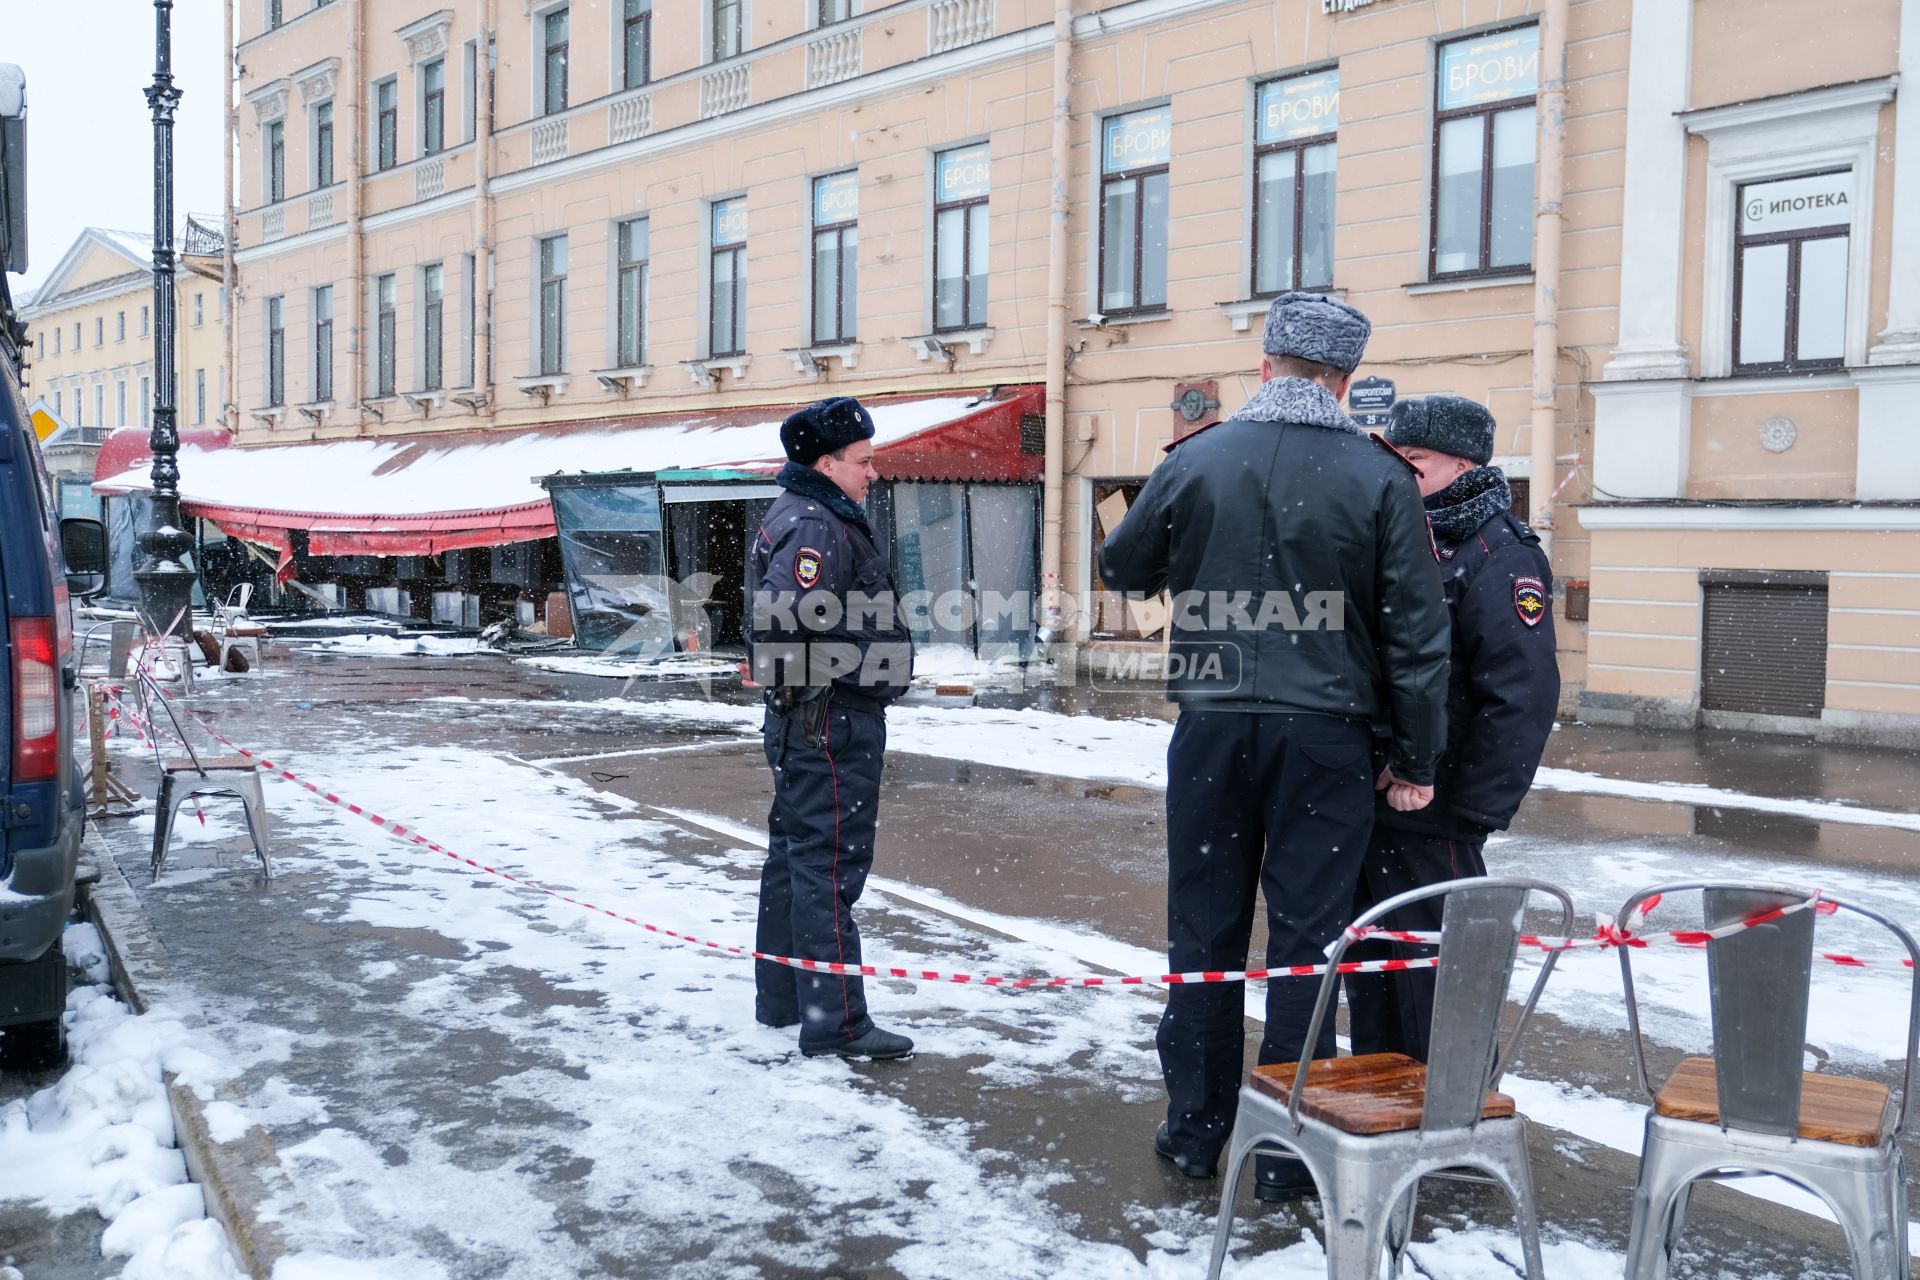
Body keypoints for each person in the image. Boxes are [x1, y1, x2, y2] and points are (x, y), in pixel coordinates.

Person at [1099, 292, 1450, 1201]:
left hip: (1212, 729)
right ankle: (1288, 1147)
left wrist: (1199, 541)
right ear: (1343, 383)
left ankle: (1194, 1129)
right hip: (1326, 736)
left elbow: (1122, 568)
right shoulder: (1380, 478)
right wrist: (1414, 761)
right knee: (1307, 941)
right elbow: (1417, 636)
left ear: (1265, 369)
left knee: (1204, 931)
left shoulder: (1199, 458)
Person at [1346, 395, 1560, 1062]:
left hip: (1434, 806)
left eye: (1416, 461)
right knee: (1375, 973)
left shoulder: (1499, 553)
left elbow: (1521, 696)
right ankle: (1386, 1106)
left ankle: (1453, 1117)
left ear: (1464, 464)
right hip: (1377, 795)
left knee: (1436, 981)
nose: (1402, 474)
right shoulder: (1403, 537)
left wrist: (1466, 807)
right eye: (1397, 460)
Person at [747, 396, 916, 1060]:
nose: (872, 474)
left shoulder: (806, 513)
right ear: (826, 462)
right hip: (830, 722)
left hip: (813, 720)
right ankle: (837, 1020)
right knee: (828, 867)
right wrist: (840, 673)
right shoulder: (816, 525)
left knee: (795, 860)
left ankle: (785, 999)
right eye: (863, 462)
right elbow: (784, 620)